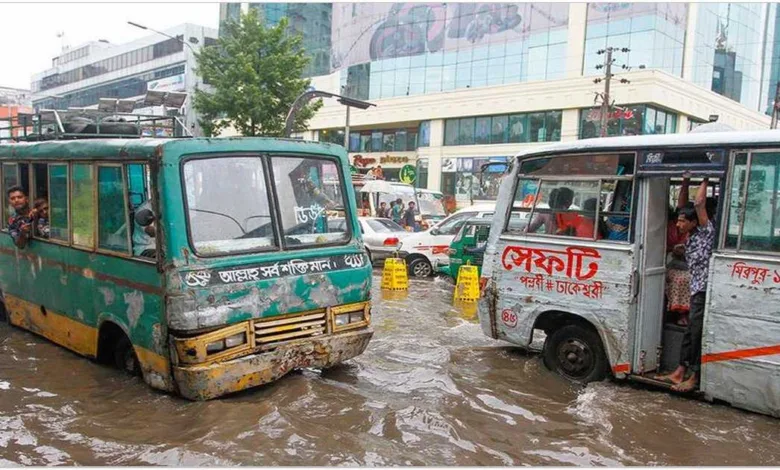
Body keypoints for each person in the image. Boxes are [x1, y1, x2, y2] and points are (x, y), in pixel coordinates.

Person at [658, 173, 715, 393]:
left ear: (694, 221)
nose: (679, 223)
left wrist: (706, 178)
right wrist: (684, 181)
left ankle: (694, 377)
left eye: (683, 220)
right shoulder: (690, 235)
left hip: (703, 288)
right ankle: (680, 371)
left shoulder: (705, 231)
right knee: (691, 331)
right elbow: (684, 206)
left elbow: (698, 203)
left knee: (697, 332)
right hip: (695, 287)